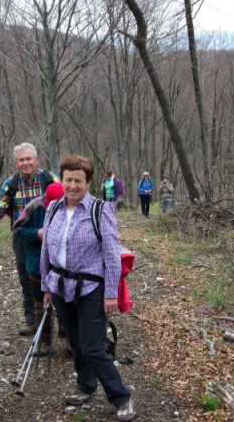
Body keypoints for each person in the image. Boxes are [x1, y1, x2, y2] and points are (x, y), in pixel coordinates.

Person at [41, 155, 135, 422]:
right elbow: (47, 250)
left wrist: (109, 293)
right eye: (68, 180)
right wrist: (47, 285)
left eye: (78, 181)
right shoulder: (54, 208)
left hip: (91, 287)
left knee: (94, 347)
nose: (72, 186)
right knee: (76, 342)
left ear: (88, 182)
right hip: (59, 285)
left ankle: (121, 396)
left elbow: (110, 253)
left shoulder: (100, 210)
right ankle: (85, 387)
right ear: (62, 179)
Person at [0, 142, 59, 336]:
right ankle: (32, 322)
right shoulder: (11, 183)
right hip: (23, 238)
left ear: (37, 160)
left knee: (56, 276)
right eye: (21, 160)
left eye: (29, 159)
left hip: (51, 237)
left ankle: (63, 323)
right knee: (27, 279)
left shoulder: (50, 179)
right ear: (16, 163)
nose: (26, 163)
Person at [13, 182, 65, 355]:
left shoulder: (72, 205)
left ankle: (69, 337)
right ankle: (43, 341)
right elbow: (19, 230)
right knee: (41, 305)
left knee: (67, 302)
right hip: (37, 265)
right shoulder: (34, 207)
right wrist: (37, 233)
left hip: (64, 267)